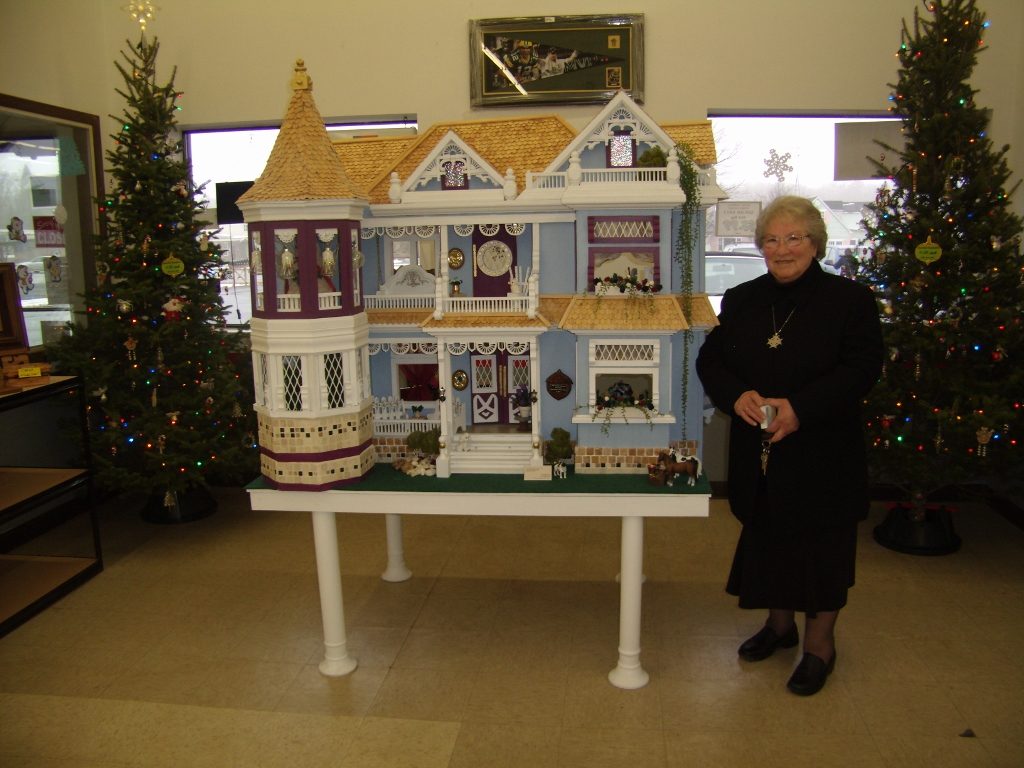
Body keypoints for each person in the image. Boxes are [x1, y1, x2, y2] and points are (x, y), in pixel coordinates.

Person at [696, 195, 883, 696]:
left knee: (823, 547)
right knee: (769, 536)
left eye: (793, 238)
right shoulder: (741, 299)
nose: (781, 249)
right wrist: (737, 395)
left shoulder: (851, 301)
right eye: (771, 240)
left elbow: (862, 369)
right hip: (760, 448)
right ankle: (780, 627)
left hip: (824, 448)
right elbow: (712, 363)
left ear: (815, 243)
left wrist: (801, 407)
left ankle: (820, 646)